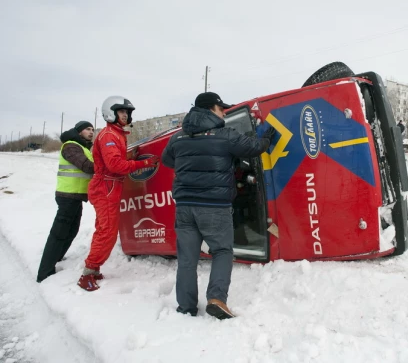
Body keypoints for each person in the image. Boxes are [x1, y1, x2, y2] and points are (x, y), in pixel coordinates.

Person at [161, 92, 274, 319]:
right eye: (221, 108)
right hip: (214, 206)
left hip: (184, 207)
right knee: (222, 251)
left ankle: (186, 307)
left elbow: (167, 160)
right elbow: (253, 148)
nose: (224, 112)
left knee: (187, 259)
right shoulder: (225, 135)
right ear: (211, 109)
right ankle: (216, 298)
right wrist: (268, 137)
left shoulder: (178, 138)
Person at [77, 96, 159, 291]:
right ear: (111, 113)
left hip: (110, 187)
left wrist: (131, 156)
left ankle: (94, 269)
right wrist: (143, 163)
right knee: (107, 233)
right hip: (105, 187)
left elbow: (114, 160)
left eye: (127, 112)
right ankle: (88, 273)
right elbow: (115, 165)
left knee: (105, 230)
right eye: (121, 112)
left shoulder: (117, 134)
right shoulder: (108, 135)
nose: (125, 115)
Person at [36, 121, 95, 282]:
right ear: (78, 131)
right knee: (59, 233)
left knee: (71, 231)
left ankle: (57, 258)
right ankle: (45, 273)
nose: (91, 132)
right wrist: (106, 165)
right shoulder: (71, 146)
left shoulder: (82, 147)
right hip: (67, 196)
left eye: (92, 130)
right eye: (87, 129)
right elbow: (86, 166)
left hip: (75, 197)